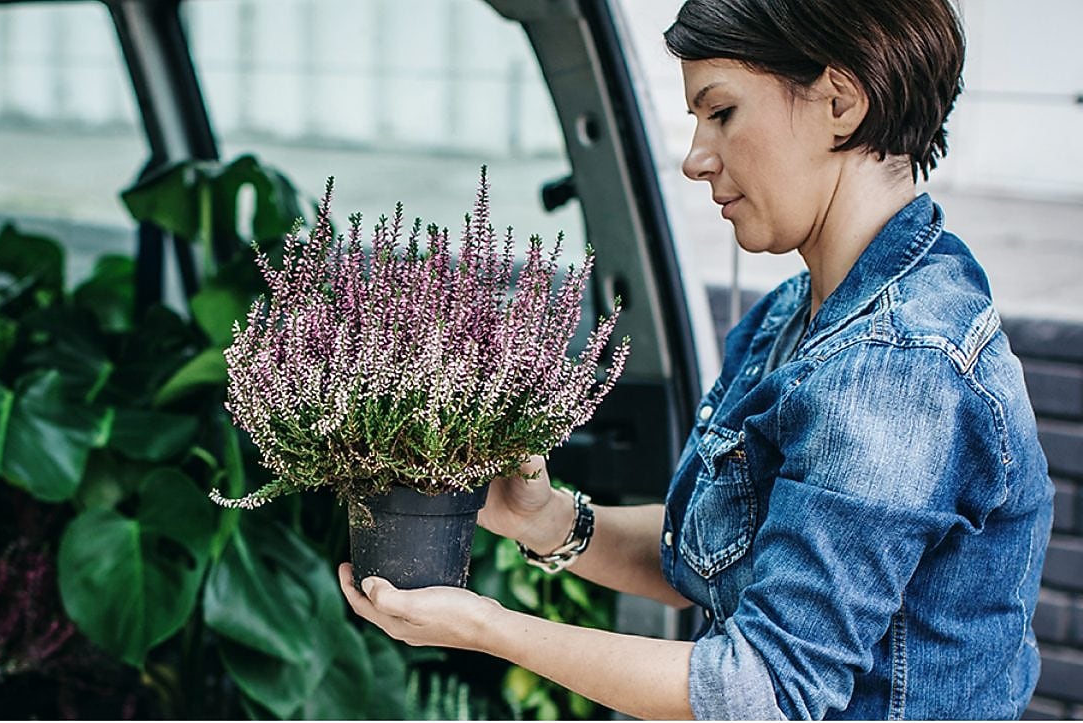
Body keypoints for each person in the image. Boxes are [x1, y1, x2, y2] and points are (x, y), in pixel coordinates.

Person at [339, 0, 1054, 718]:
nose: (695, 157)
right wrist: (551, 520)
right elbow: (730, 559)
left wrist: (489, 628)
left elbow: (763, 690)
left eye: (722, 113)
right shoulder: (797, 319)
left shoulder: (897, 369)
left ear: (841, 102)